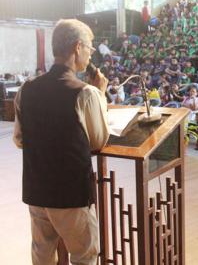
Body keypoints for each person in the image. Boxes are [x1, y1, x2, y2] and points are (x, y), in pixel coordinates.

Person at [12, 19, 109, 265]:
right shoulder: (85, 93)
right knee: (84, 256)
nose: (90, 55)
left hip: (36, 191)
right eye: (90, 49)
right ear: (78, 47)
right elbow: (97, 141)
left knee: (42, 256)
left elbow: (19, 139)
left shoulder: (26, 89)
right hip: (70, 194)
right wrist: (101, 94)